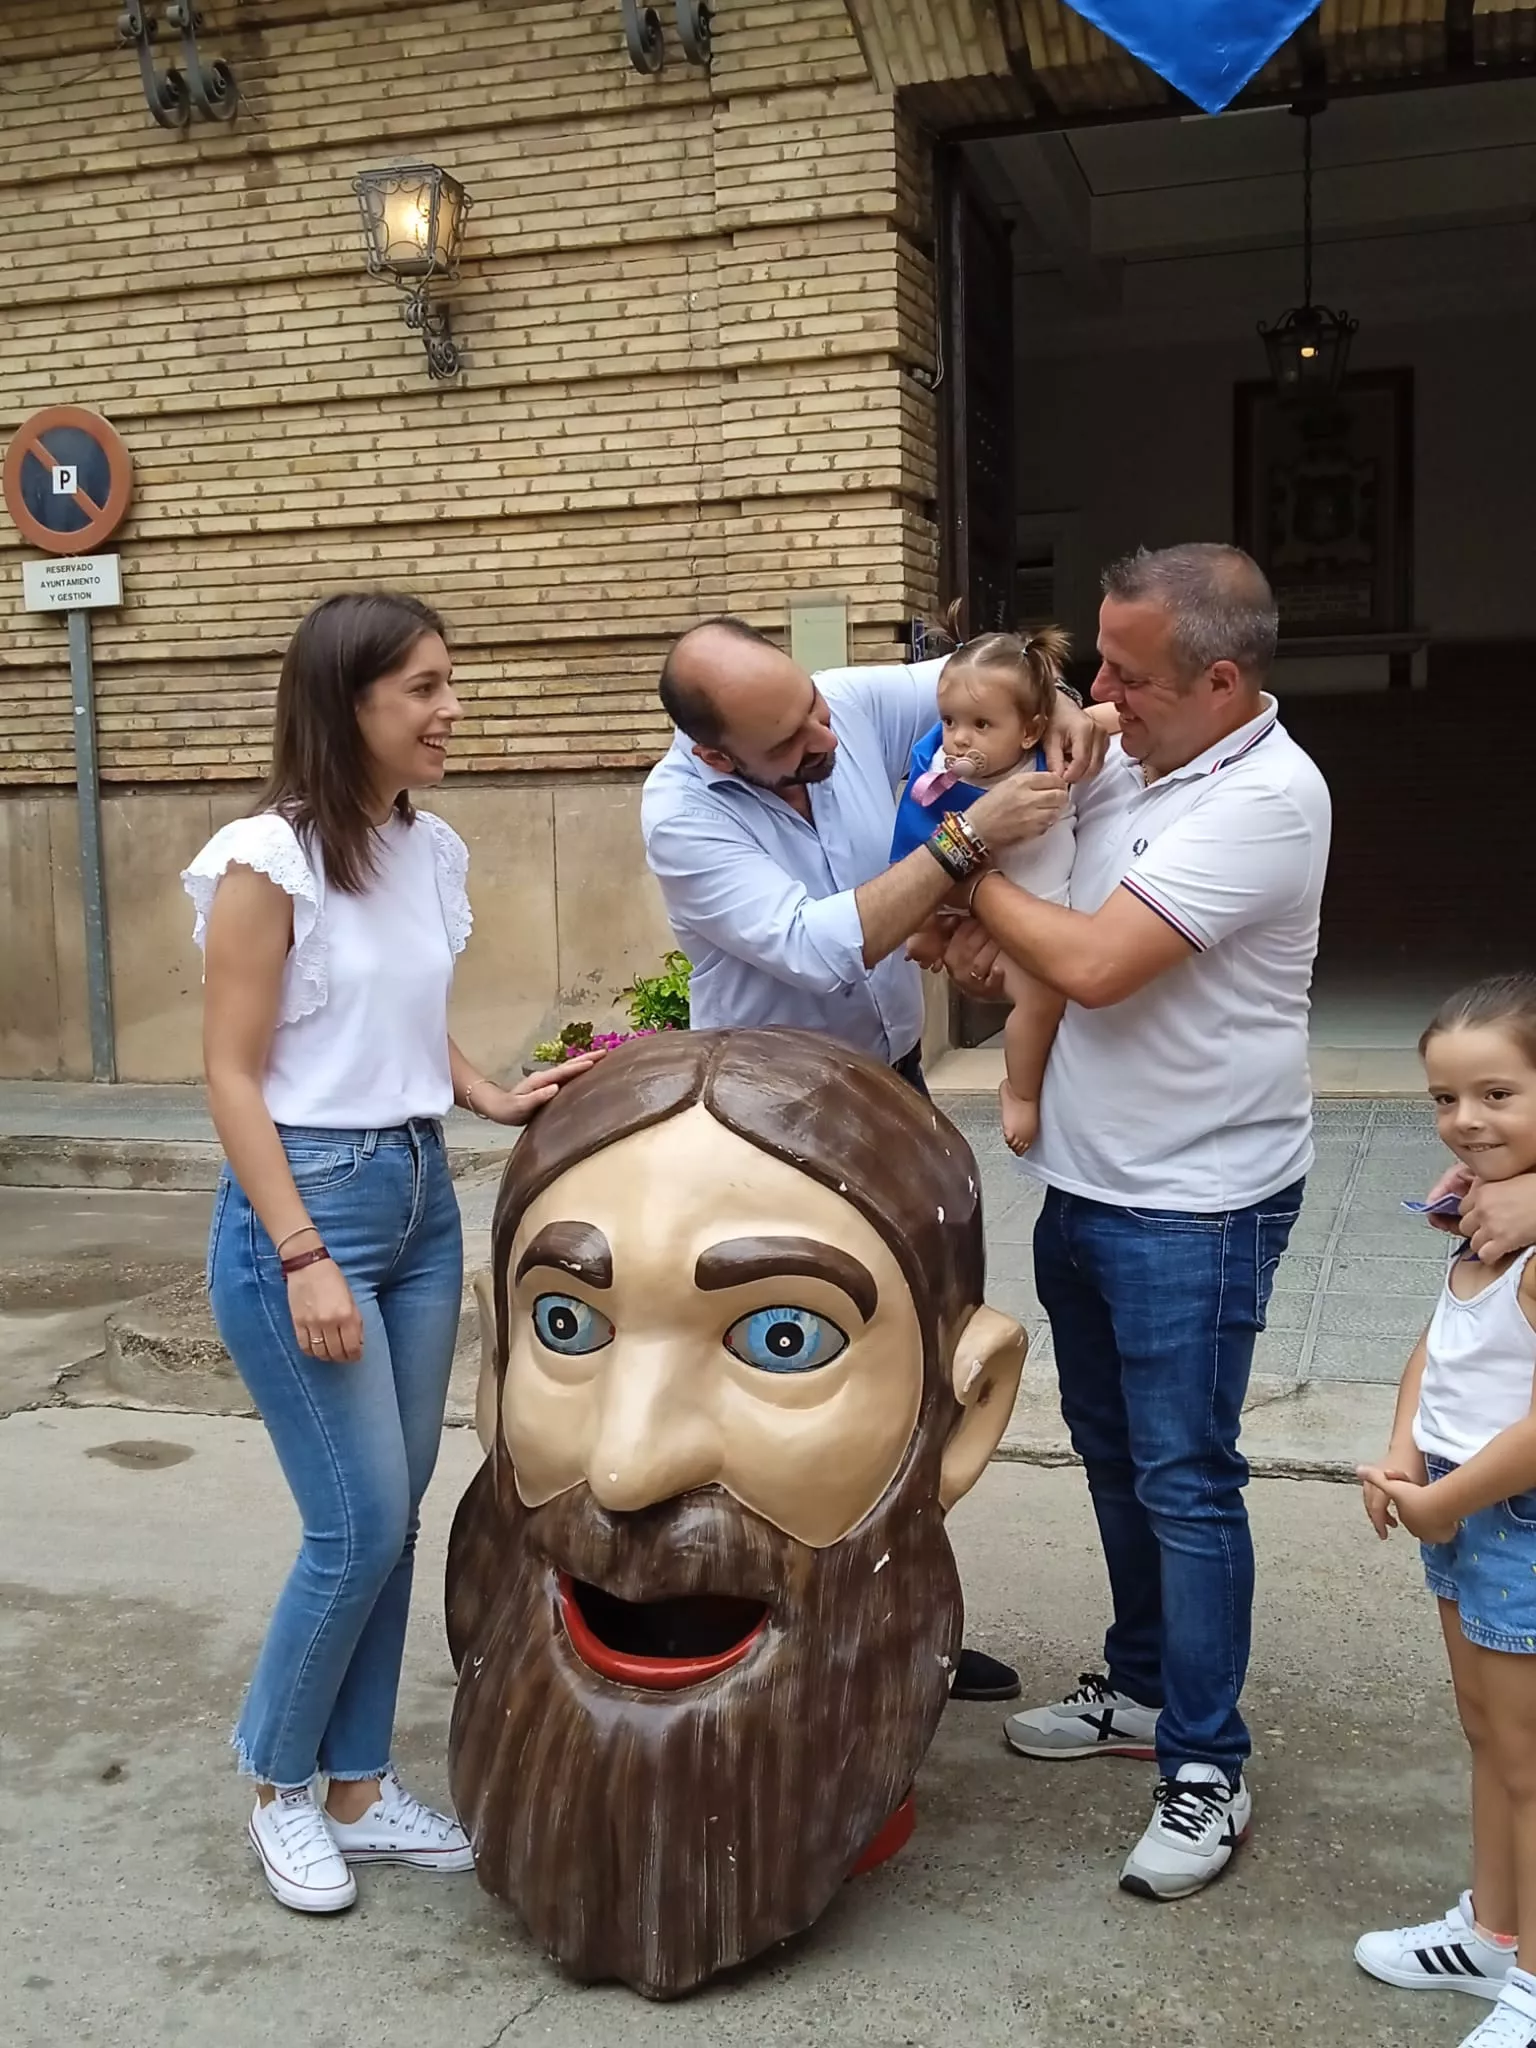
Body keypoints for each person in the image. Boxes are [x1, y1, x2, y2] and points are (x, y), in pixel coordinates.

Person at [181, 591, 597, 1916]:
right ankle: (278, 1784)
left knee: (396, 1513)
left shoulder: (421, 846)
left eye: (448, 681)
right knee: (353, 1526)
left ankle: (357, 1786)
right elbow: (233, 1077)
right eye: (422, 686)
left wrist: (482, 1092)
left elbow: (401, 1018)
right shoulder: (268, 859)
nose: (449, 708)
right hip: (307, 1205)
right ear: (347, 702)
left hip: (416, 1192)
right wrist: (300, 1253)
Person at [943, 543, 1331, 1899]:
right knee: (1115, 1458)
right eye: (1096, 655)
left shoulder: (1270, 800)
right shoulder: (1128, 755)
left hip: (1198, 1203)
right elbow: (1045, 930)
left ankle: (1206, 1763)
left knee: (1186, 1478)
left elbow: (1097, 962)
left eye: (1125, 668)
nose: (1095, 687)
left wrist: (961, 864)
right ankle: (1146, 1685)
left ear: (1221, 679)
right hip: (1093, 1185)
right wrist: (1004, 919)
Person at [640, 615, 1109, 1702]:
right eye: (789, 738)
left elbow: (985, 677)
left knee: (909, 1367)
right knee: (775, 1382)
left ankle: (905, 1621)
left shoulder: (833, 703)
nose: (827, 731)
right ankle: (755, 1626)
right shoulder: (681, 811)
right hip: (768, 1114)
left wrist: (1068, 709)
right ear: (719, 755)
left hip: (887, 1083)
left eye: (813, 702)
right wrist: (965, 844)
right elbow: (817, 944)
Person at [1355, 975, 1536, 2048]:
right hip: (1461, 1510)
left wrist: (1448, 1501)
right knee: (1486, 1735)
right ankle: (1493, 1930)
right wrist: (1400, 1448)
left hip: (1509, 1518)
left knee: (1529, 1759)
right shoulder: (1477, 1225)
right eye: (1445, 1097)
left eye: (1499, 1093)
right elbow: (1440, 1342)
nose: (1467, 1120)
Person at [890, 624, 1077, 1154]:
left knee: (1041, 998)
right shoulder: (938, 770)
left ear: (1029, 730)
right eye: (949, 721)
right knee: (923, 876)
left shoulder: (1050, 757)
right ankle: (928, 933)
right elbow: (917, 852)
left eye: (980, 724)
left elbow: (1097, 725)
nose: (959, 738)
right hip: (969, 904)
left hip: (1036, 917)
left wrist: (1071, 711)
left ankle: (1018, 1086)